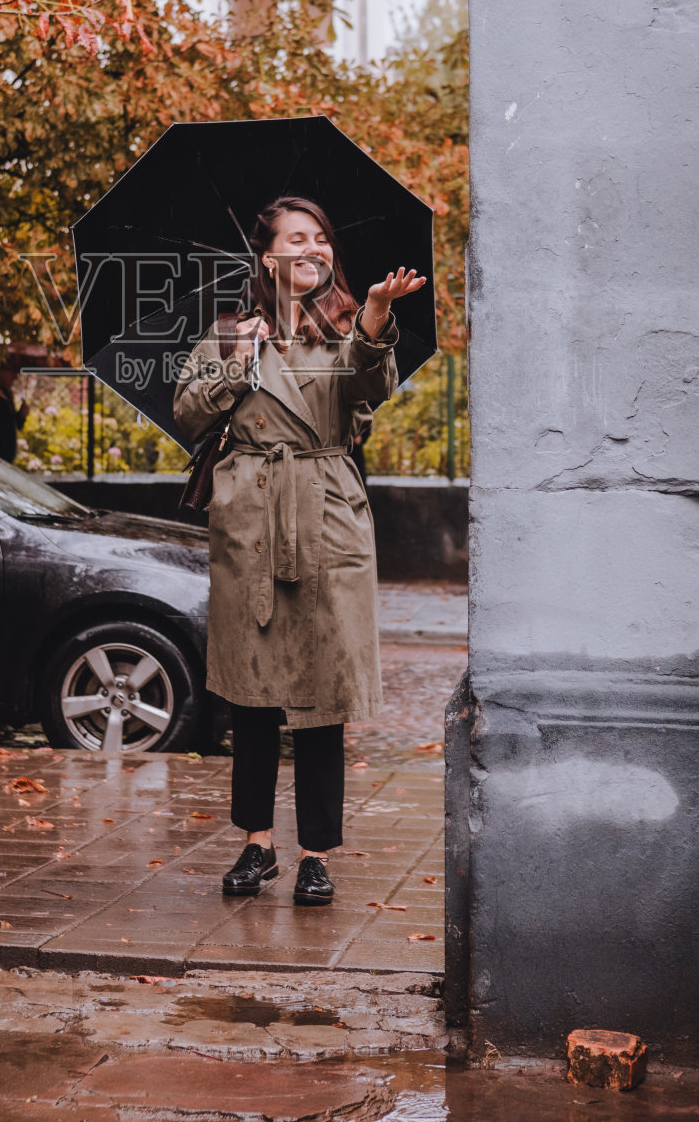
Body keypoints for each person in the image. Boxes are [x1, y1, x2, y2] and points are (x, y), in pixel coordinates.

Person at [173, 196, 426, 907]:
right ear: (268, 258)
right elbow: (186, 413)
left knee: (321, 694)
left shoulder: (347, 330)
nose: (313, 248)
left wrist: (374, 314)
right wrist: (236, 361)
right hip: (252, 521)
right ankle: (255, 843)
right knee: (252, 691)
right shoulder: (228, 333)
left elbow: (368, 389)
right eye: (296, 238)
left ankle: (315, 853)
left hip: (326, 516)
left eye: (321, 237)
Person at [0, 356, 29, 464]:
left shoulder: (6, 392)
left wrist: (21, 415)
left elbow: (13, 424)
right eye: (12, 371)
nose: (15, 377)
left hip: (5, 457)